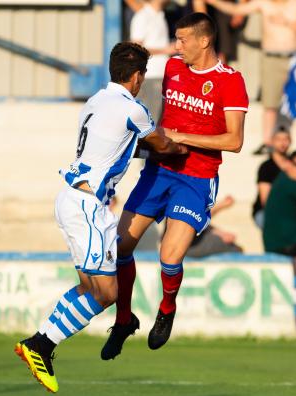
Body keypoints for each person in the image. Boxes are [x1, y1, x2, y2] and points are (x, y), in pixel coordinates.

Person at [14, 42, 186, 393]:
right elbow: (162, 145)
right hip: (89, 207)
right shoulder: (132, 109)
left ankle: (39, 343)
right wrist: (185, 146)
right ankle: (40, 345)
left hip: (71, 198)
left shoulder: (95, 102)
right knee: (107, 292)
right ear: (138, 77)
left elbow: (117, 143)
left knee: (89, 287)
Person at [100, 13, 249, 360]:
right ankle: (124, 320)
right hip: (158, 172)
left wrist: (182, 136)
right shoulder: (172, 69)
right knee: (120, 247)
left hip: (196, 178)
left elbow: (235, 140)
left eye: (182, 40)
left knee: (169, 255)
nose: (176, 46)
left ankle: (166, 309)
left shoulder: (230, 80)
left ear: (204, 41)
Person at [205, 0, 296, 156]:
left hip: (295, 60)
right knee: (269, 103)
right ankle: (266, 142)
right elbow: (236, 9)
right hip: (271, 59)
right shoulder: (264, 3)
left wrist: (287, 22)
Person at [130, 0, 175, 120]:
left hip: (160, 75)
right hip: (151, 75)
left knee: (157, 121)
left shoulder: (160, 15)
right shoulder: (143, 16)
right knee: (150, 122)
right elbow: (136, 49)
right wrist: (166, 50)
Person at [252, 126, 292, 227]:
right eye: (278, 139)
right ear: (272, 142)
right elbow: (265, 200)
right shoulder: (266, 167)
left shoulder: (294, 165)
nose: (282, 143)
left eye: (285, 139)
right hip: (265, 212)